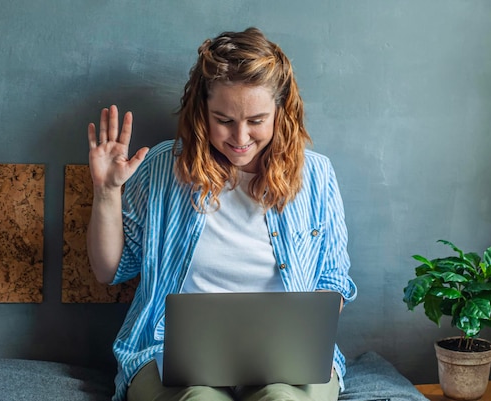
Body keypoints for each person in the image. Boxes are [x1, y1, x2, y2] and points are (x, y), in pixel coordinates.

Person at [87, 27, 357, 401]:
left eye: (257, 120)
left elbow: (333, 280)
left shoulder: (316, 175)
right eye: (224, 120)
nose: (240, 137)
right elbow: (109, 270)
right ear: (202, 111)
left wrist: (300, 337)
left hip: (287, 361)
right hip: (166, 354)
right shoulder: (163, 169)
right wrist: (107, 191)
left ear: (281, 112)